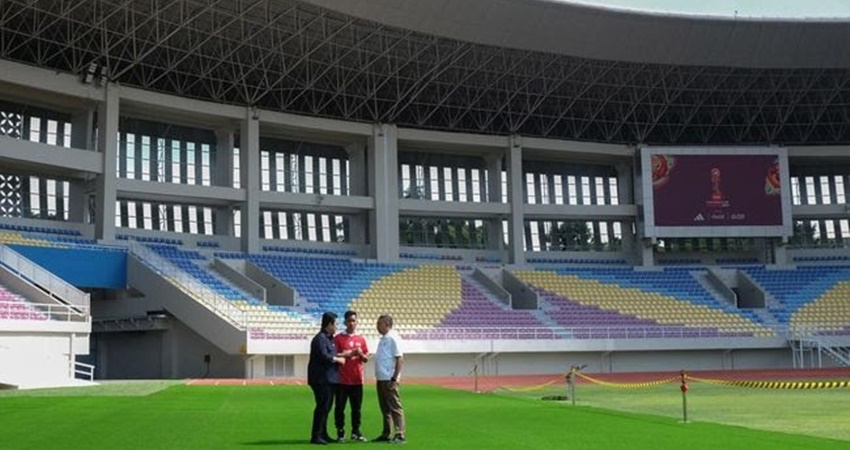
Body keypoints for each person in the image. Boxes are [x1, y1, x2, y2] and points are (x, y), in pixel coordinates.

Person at [307, 312, 346, 445]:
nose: (337, 326)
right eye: (335, 323)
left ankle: (323, 434)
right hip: (321, 379)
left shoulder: (329, 339)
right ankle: (316, 435)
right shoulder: (320, 338)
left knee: (326, 407)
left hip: (329, 379)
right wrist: (338, 359)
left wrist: (343, 355)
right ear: (329, 324)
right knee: (322, 406)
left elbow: (332, 354)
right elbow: (323, 355)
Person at [334, 310, 370, 442]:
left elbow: (366, 358)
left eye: (354, 321)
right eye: (349, 320)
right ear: (345, 322)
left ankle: (356, 431)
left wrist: (361, 354)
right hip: (342, 380)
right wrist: (349, 353)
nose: (351, 323)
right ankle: (340, 432)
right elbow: (335, 355)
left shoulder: (361, 339)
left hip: (357, 380)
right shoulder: (338, 338)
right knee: (340, 408)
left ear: (357, 322)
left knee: (356, 409)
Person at [374, 314, 406, 444]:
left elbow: (400, 358)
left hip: (389, 378)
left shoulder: (393, 338)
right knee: (385, 408)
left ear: (387, 324)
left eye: (379, 323)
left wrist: (394, 378)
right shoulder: (383, 339)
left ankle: (400, 434)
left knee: (395, 406)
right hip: (381, 378)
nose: (377, 326)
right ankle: (386, 433)